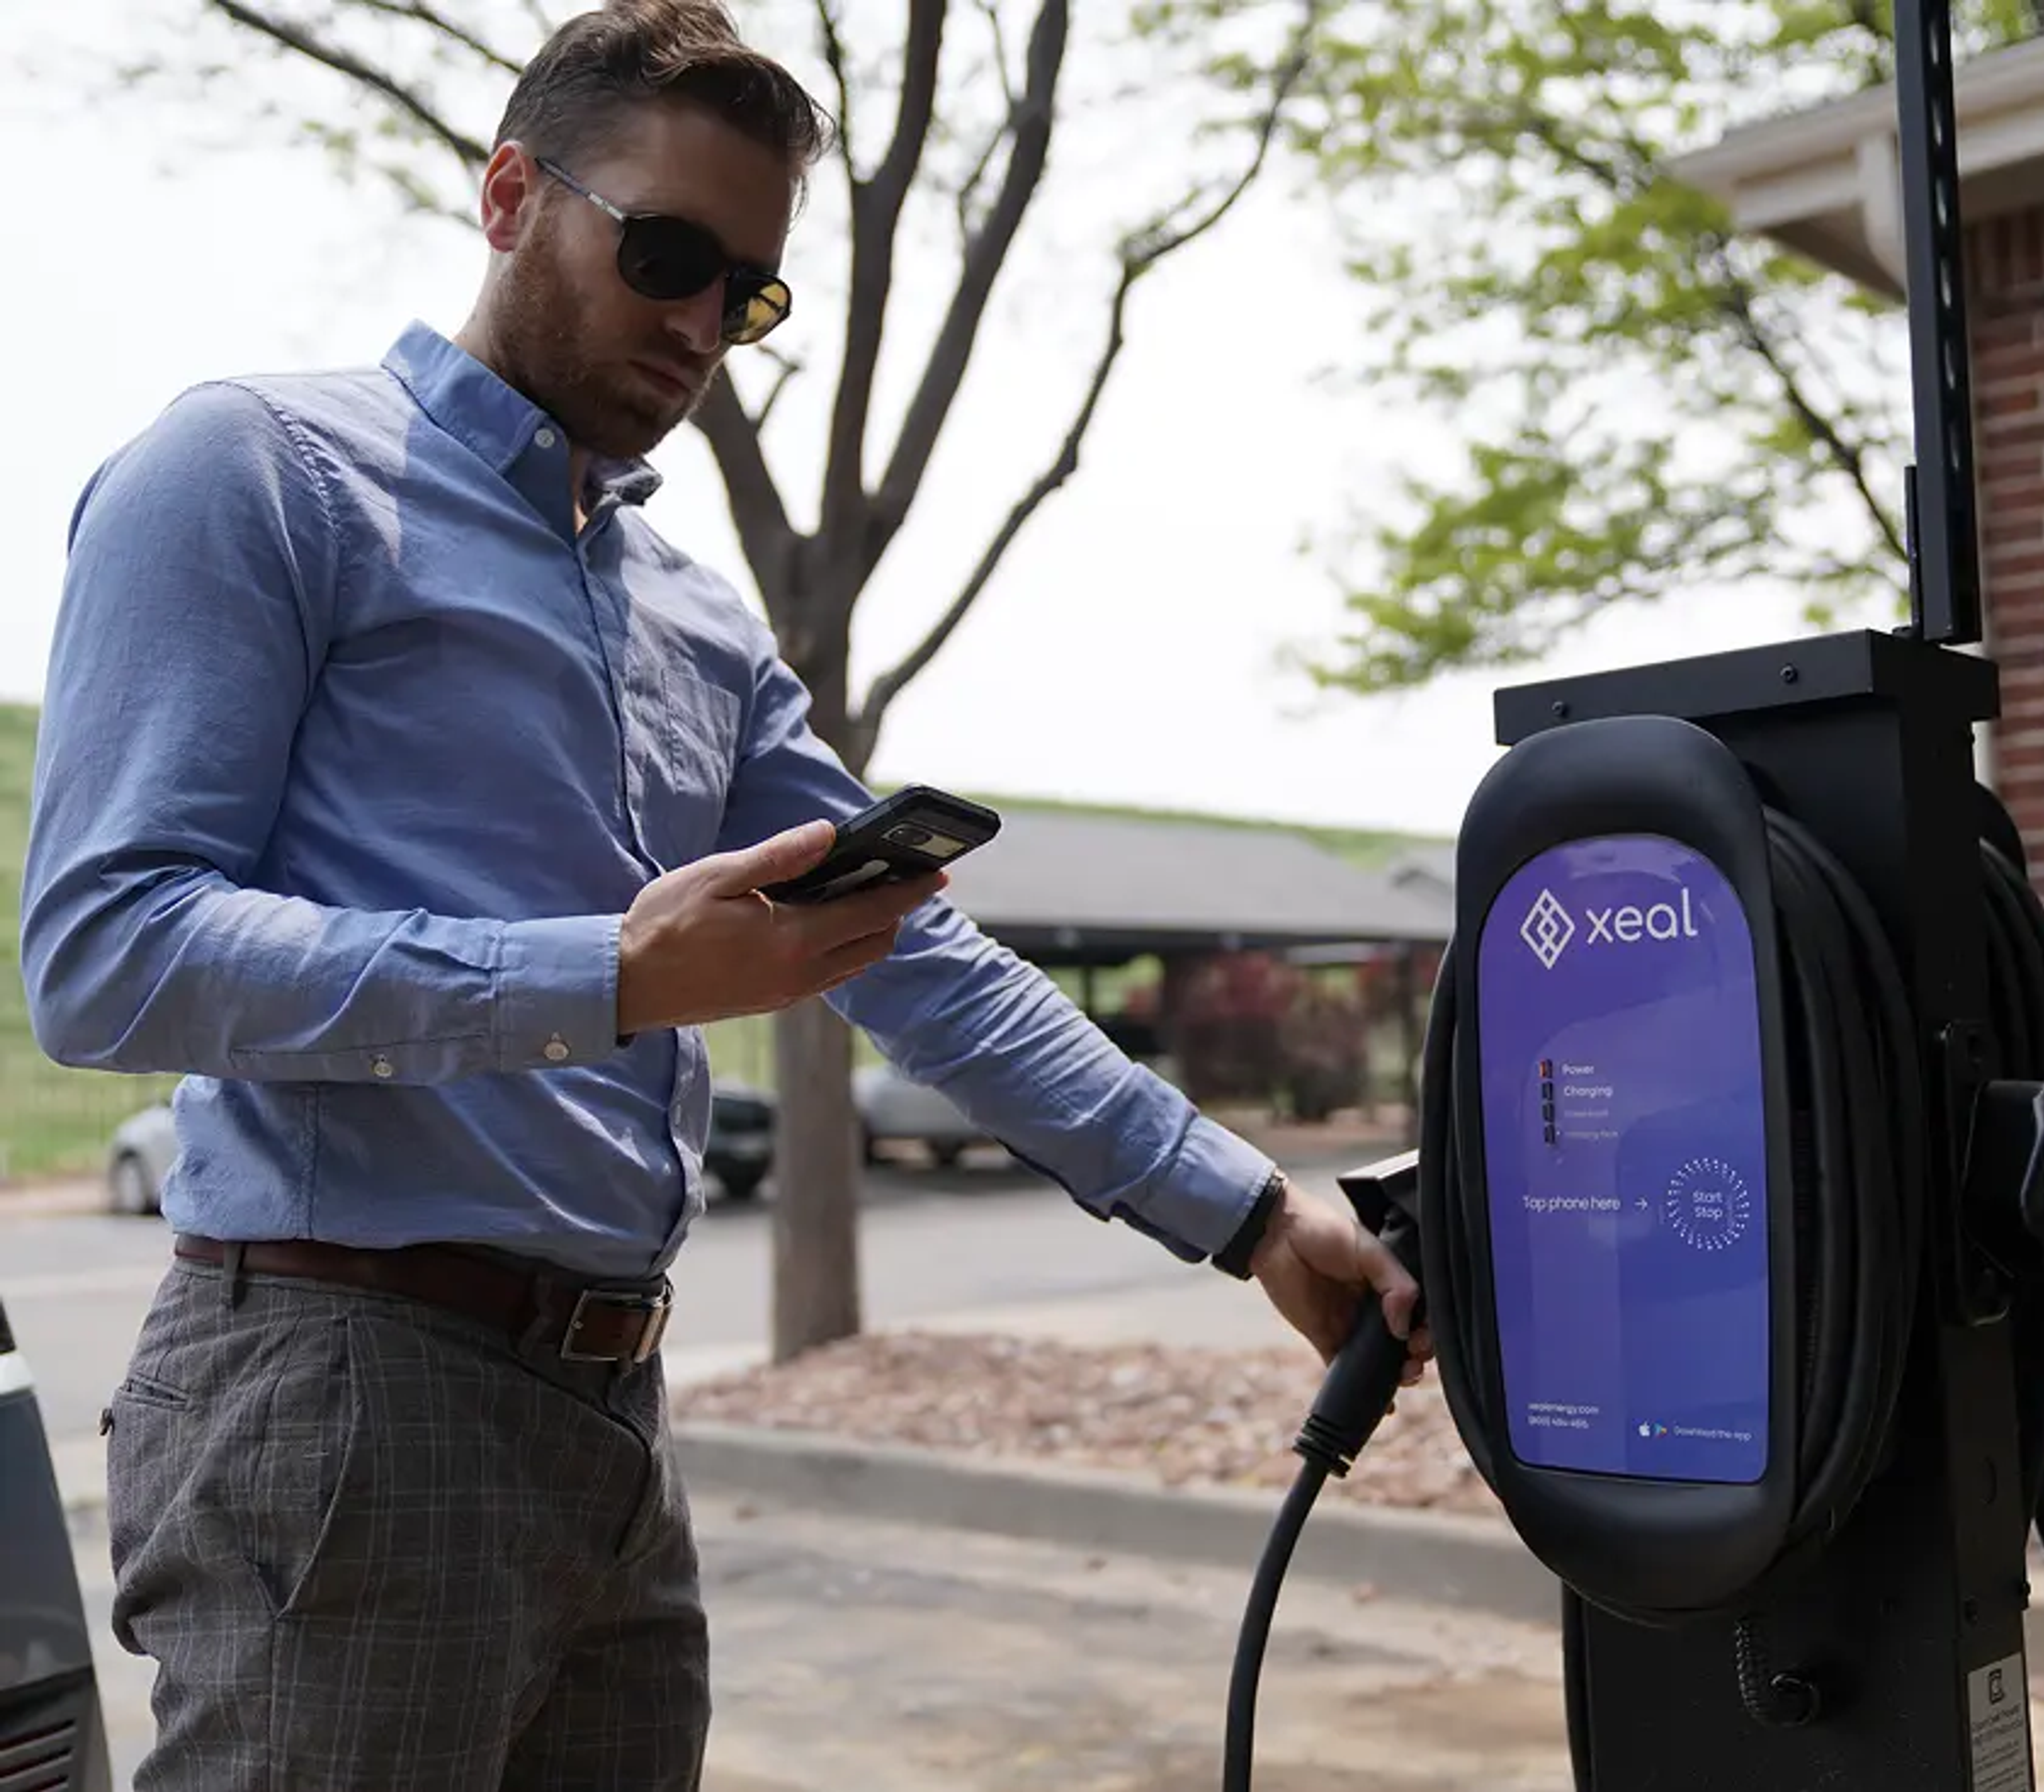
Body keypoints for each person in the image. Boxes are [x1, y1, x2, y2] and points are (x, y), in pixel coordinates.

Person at [19, 1, 1429, 1785]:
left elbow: (920, 957)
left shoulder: (693, 615)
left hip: (617, 1411)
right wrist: (606, 972)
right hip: (347, 1382)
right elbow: (106, 954)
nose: (701, 325)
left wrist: (1248, 1211)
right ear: (512, 194)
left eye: (747, 294)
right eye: (666, 254)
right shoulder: (256, 473)